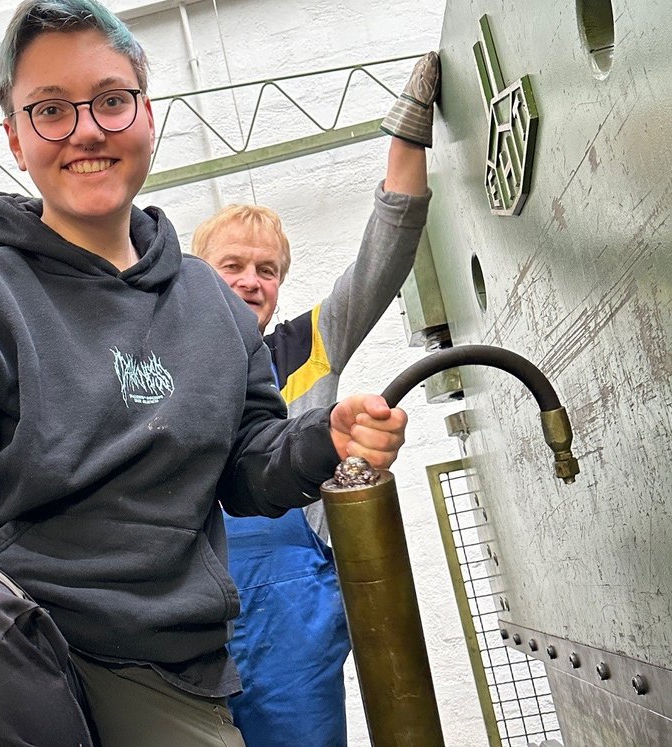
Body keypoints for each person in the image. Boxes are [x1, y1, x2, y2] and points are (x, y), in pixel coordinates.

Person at [0, 2, 408, 746]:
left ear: (147, 114)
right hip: (1, 645)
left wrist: (321, 439)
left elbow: (248, 461)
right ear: (16, 140)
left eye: (111, 100)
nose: (86, 129)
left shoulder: (210, 302)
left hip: (163, 666)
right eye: (50, 109)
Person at [192, 54, 438, 747]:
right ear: (193, 277)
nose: (250, 281)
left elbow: (383, 261)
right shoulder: (162, 365)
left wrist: (408, 137)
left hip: (295, 619)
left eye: (266, 269)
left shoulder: (311, 345)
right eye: (231, 265)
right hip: (192, 622)